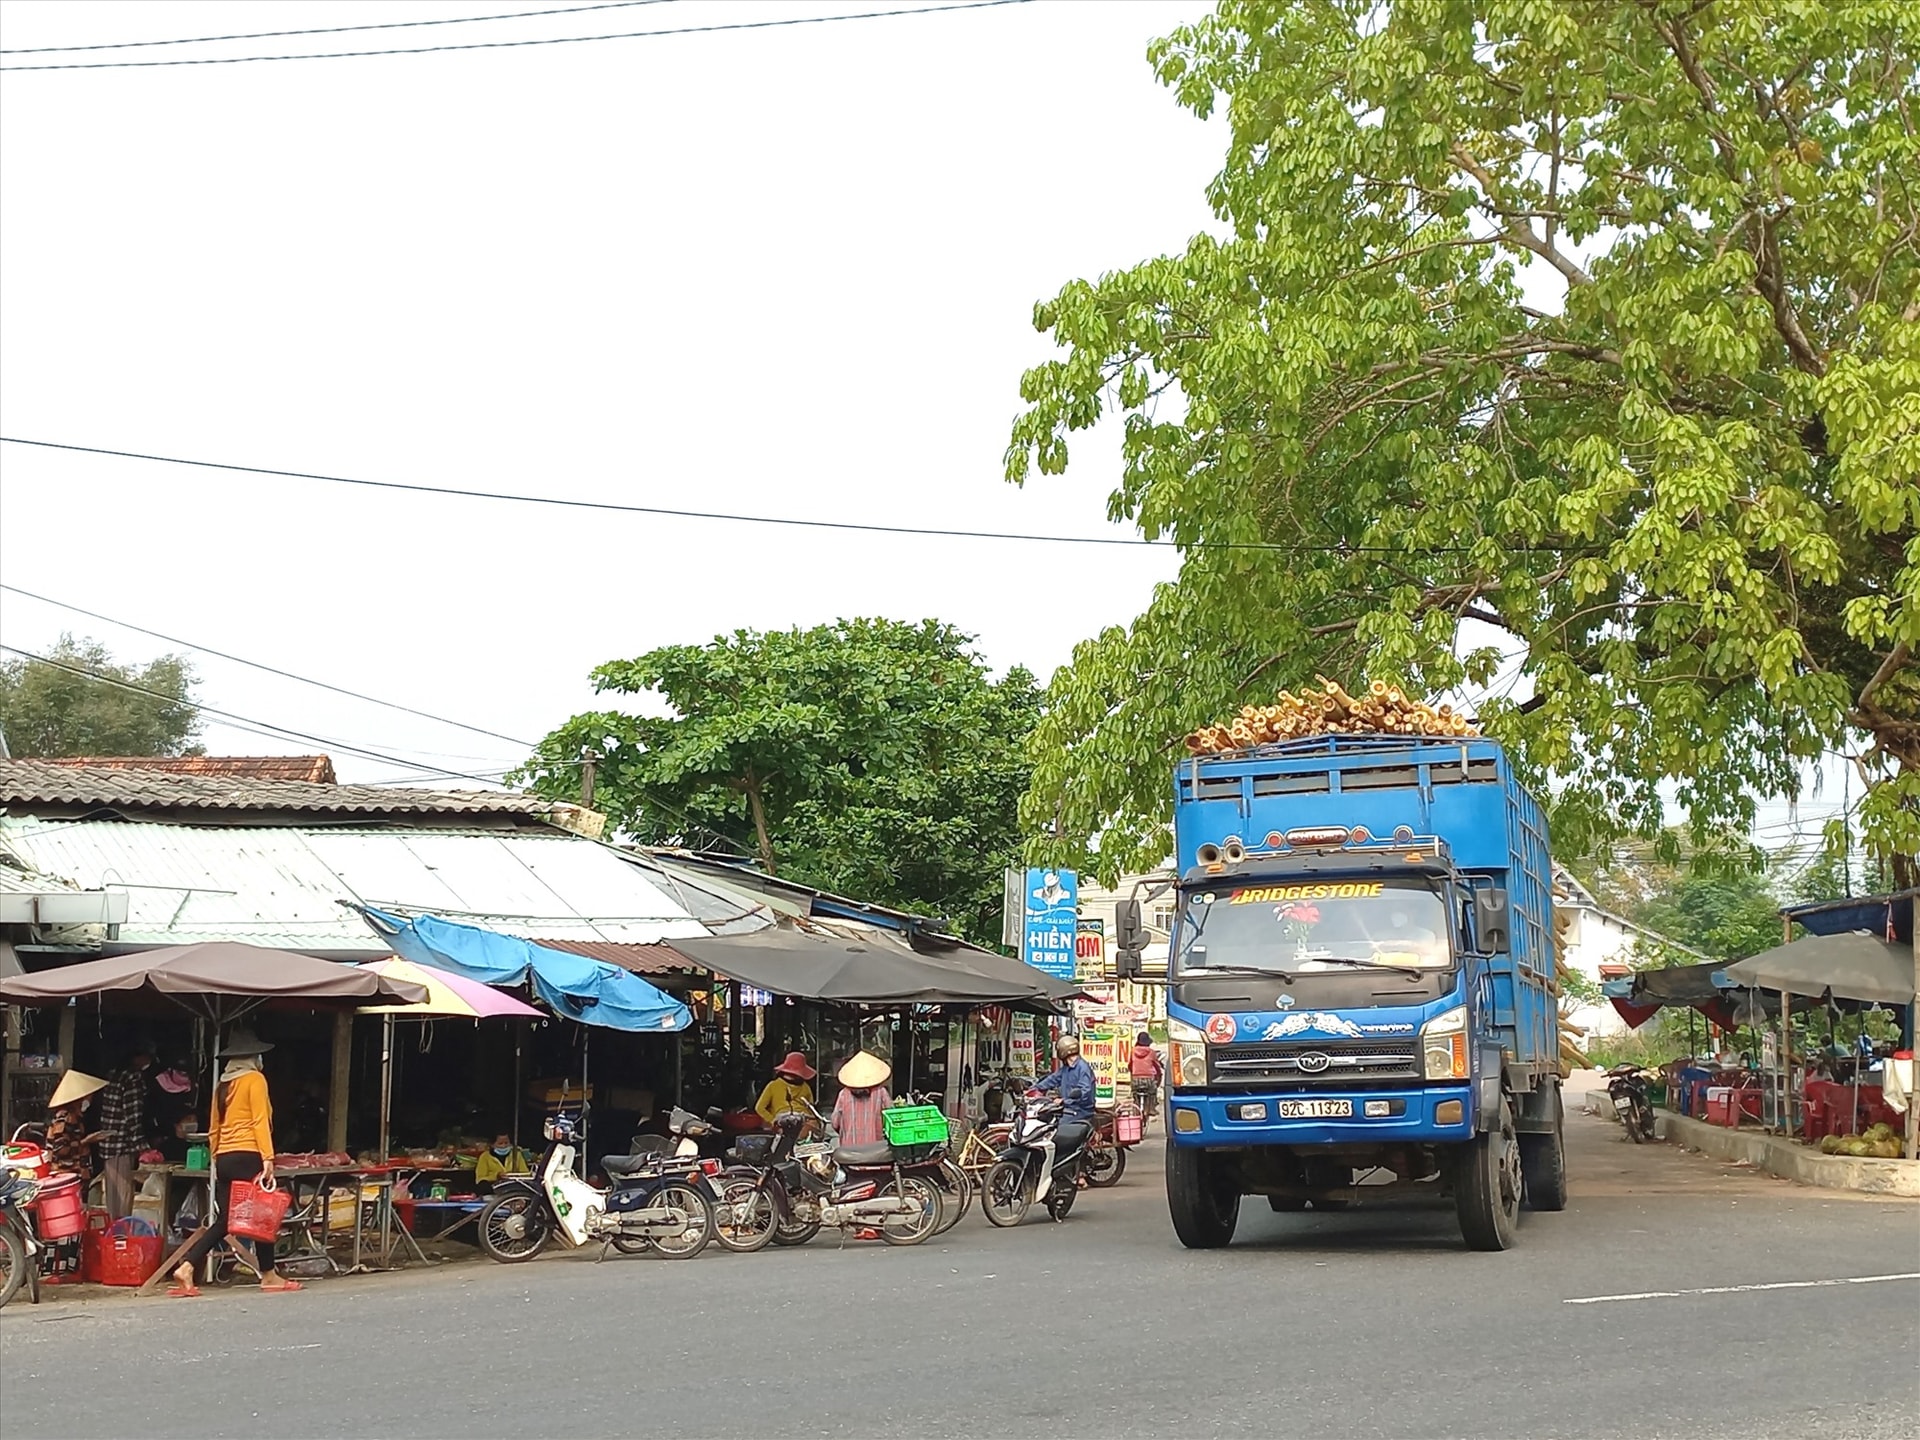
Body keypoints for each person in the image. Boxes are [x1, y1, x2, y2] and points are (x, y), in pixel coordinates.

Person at [171, 1029, 300, 1297]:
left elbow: (214, 1129)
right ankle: (269, 1274)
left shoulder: (223, 1084)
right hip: (248, 1153)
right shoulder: (255, 1079)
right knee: (263, 1216)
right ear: (252, 1057)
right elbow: (259, 1121)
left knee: (225, 1221)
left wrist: (217, 1157)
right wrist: (267, 1157)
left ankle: (186, 1266)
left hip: (226, 1158)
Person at [98, 1043, 156, 1220]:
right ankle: (121, 1235)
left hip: (107, 1142)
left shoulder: (113, 1074)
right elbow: (133, 1116)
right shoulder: (132, 1078)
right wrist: (144, 1147)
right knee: (123, 1197)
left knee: (112, 1196)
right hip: (121, 1143)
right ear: (138, 1058)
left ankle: (113, 1233)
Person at [1033, 1034, 1097, 1144]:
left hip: (1080, 1110)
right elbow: (1053, 1079)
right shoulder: (1067, 1068)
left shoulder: (1082, 1068)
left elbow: (1084, 1091)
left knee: (1057, 1132)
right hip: (1069, 1108)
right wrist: (1035, 1088)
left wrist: (1064, 1100)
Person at [829, 1052, 893, 1147]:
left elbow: (835, 1123)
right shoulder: (880, 1092)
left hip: (848, 1149)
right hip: (875, 1148)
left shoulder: (843, 1093)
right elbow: (891, 1117)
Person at [754, 1052, 817, 1129]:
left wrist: (772, 1120)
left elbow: (759, 1108)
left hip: (799, 1121)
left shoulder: (773, 1085)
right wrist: (773, 1121)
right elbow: (811, 1109)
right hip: (790, 1121)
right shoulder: (805, 1086)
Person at [1128, 1031, 1164, 1113]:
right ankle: (1151, 1108)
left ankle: (1136, 1108)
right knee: (1152, 1091)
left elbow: (1130, 1065)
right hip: (1148, 1080)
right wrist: (1159, 1076)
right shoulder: (1151, 1052)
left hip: (1136, 1080)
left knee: (1135, 1094)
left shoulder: (1133, 1051)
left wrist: (1133, 1073)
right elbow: (1157, 1067)